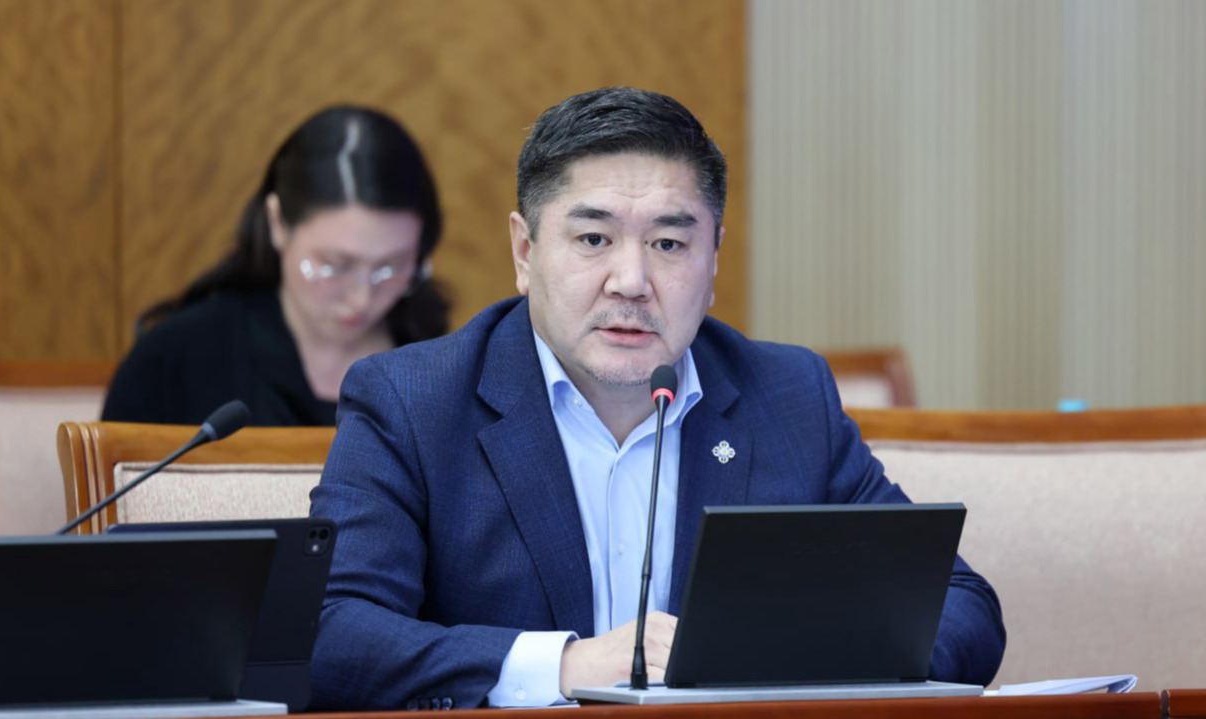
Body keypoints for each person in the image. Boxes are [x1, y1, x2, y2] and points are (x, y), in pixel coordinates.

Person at [308, 87, 1006, 710]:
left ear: (713, 258)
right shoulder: (413, 402)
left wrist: (786, 661)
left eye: (669, 244)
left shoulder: (787, 396)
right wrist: (564, 666)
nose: (631, 281)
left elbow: (962, 606)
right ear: (524, 251)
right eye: (593, 238)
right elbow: (330, 630)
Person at [101, 106, 448, 426]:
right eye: (335, 266)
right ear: (277, 223)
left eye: (392, 267)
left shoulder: (443, 368)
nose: (361, 298)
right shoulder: (173, 361)